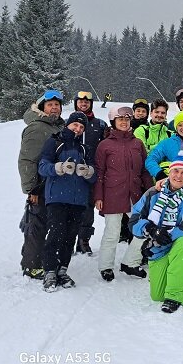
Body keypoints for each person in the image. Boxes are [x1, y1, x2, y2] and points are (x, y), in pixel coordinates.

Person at [129, 153, 183, 313]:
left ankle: (175, 297)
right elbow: (134, 221)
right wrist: (150, 230)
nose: (179, 176)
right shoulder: (152, 193)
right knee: (157, 295)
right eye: (175, 171)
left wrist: (164, 237)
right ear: (169, 172)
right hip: (157, 246)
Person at [38, 112, 97, 292]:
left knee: (70, 237)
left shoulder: (85, 149)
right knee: (55, 234)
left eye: (81, 127)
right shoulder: (55, 142)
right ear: (68, 125)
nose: (78, 129)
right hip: (57, 198)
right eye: (75, 125)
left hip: (78, 200)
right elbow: (42, 166)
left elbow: (94, 176)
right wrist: (59, 168)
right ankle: (50, 271)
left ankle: (62, 270)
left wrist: (88, 172)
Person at [94, 106, 154, 281]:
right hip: (112, 194)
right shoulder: (105, 145)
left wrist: (151, 192)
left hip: (135, 194)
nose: (124, 122)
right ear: (113, 122)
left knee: (143, 229)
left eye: (127, 120)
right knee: (112, 233)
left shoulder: (137, 143)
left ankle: (130, 262)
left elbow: (144, 171)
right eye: (120, 119)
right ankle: (106, 266)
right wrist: (98, 196)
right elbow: (99, 172)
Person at [18, 89, 65, 279]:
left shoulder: (56, 126)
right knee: (37, 226)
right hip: (40, 186)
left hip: (53, 185)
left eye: (57, 105)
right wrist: (32, 189)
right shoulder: (37, 128)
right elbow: (27, 160)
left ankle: (37, 259)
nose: (54, 108)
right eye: (50, 105)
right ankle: (31, 265)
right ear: (41, 108)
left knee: (46, 224)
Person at [73, 91, 108, 256]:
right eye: (80, 101)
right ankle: (68, 239)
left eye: (87, 102)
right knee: (70, 207)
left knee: (87, 207)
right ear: (76, 103)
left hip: (91, 172)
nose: (83, 104)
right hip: (71, 172)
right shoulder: (69, 123)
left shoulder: (99, 124)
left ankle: (84, 240)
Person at [145, 110, 183, 181]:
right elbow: (150, 159)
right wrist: (158, 173)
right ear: (176, 128)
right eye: (180, 125)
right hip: (173, 184)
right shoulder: (167, 143)